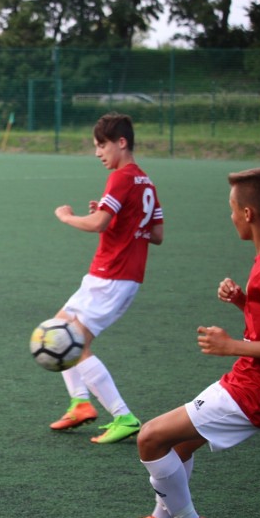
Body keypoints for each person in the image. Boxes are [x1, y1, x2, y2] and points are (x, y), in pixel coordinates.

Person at [109, 168, 260, 518]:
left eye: (231, 208)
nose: (229, 216)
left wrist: (231, 346)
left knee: (150, 438)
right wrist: (244, 301)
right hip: (251, 378)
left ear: (247, 214)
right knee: (177, 444)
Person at [48, 112, 164, 444]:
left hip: (112, 275)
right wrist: (116, 215)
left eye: (102, 145)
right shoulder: (146, 182)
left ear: (121, 142)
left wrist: (68, 217)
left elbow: (98, 224)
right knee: (59, 331)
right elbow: (155, 234)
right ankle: (80, 403)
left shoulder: (122, 178)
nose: (98, 152)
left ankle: (123, 416)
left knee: (76, 343)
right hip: (115, 276)